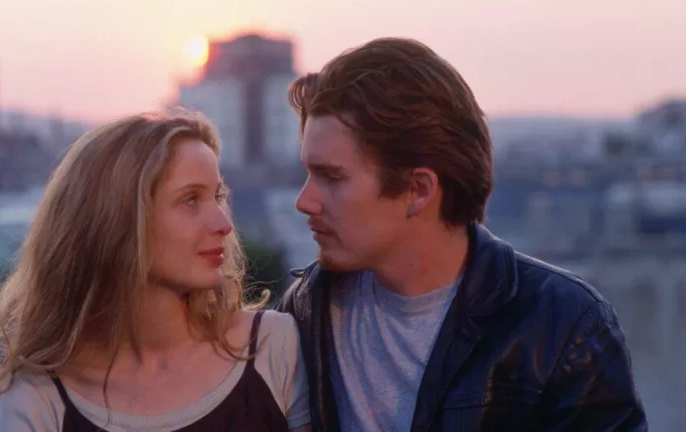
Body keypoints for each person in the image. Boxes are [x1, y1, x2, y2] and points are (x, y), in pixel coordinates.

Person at [276, 37, 647, 431]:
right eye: (308, 174)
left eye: (332, 177)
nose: (305, 201)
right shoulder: (306, 310)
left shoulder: (563, 327)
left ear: (418, 190)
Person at [0, 111, 312, 432]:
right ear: (117, 221)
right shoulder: (39, 396)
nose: (223, 224)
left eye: (218, 196)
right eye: (191, 200)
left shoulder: (271, 346)